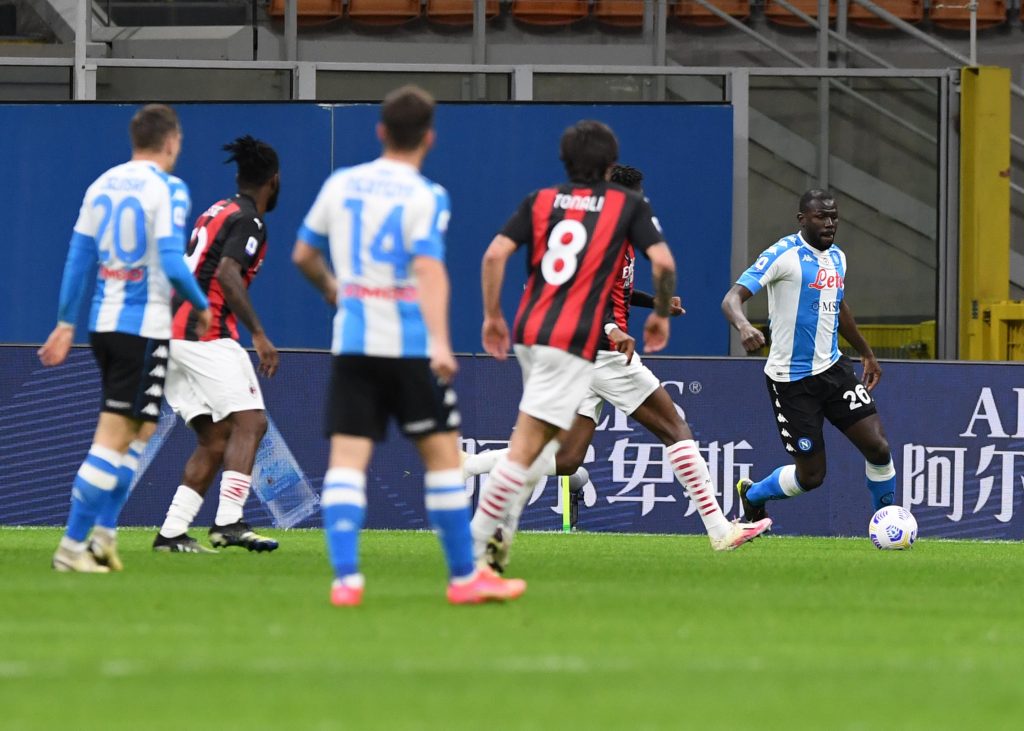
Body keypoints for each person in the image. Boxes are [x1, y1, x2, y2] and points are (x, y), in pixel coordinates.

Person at [464, 165, 772, 571]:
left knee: (569, 458)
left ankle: (468, 465)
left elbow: (618, 292)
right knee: (674, 427)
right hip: (604, 352)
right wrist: (612, 328)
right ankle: (719, 529)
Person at [292, 85, 526, 607]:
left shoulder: (342, 184)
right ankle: (463, 579)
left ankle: (346, 579)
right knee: (443, 460)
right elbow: (428, 269)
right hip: (408, 347)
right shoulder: (426, 196)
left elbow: (303, 253)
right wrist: (442, 342)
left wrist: (335, 291)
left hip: (353, 345)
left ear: (380, 131)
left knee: (347, 462)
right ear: (429, 138)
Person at [469, 122, 679, 575]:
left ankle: (484, 543)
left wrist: (492, 316)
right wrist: (620, 324)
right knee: (674, 428)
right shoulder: (610, 222)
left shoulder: (544, 203)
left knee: (556, 458)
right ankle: (721, 529)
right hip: (589, 344)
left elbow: (497, 258)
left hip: (542, 337)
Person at [38, 104, 211, 572]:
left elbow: (79, 258)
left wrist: (65, 322)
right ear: (171, 141)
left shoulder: (102, 184)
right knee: (113, 437)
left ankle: (104, 537)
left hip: (104, 325)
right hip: (143, 327)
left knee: (142, 428)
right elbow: (174, 262)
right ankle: (72, 549)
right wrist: (199, 303)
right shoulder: (169, 189)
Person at [721, 189, 895, 523]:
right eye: (821, 217)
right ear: (802, 219)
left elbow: (839, 306)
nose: (830, 223)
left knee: (879, 448)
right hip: (791, 382)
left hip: (834, 370)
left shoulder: (838, 258)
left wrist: (866, 353)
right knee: (812, 477)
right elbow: (731, 298)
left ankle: (887, 524)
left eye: (834, 217)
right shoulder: (782, 255)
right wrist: (743, 326)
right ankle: (753, 494)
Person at [153, 135, 282, 554]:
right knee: (252, 422)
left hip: (169, 335)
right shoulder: (250, 221)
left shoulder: (216, 209)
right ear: (273, 182)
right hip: (204, 333)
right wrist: (259, 334)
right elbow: (227, 273)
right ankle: (229, 523)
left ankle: (171, 533)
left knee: (215, 437)